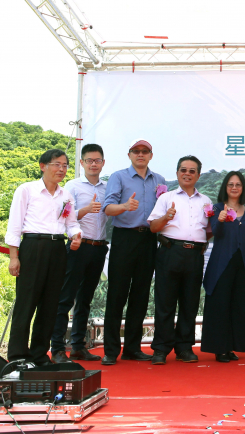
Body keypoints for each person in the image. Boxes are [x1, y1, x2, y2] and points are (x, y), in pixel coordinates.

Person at [5, 149, 82, 365]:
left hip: (58, 248)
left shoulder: (66, 195)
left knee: (50, 304)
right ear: (43, 166)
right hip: (33, 246)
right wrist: (14, 257)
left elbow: (71, 223)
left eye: (65, 165)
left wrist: (76, 235)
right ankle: (18, 356)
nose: (62, 169)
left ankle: (39, 355)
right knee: (26, 302)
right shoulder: (27, 190)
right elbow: (14, 225)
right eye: (57, 164)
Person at [101, 139, 166, 365]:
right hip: (124, 238)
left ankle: (132, 348)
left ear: (151, 155)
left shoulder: (159, 180)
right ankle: (111, 351)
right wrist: (125, 207)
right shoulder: (118, 177)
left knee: (140, 294)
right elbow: (107, 208)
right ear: (129, 155)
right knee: (117, 293)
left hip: (148, 239)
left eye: (145, 151)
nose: (140, 154)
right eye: (136, 151)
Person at [148, 156, 212, 365]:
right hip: (170, 251)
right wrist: (166, 217)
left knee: (190, 303)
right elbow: (153, 227)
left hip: (195, 255)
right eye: (183, 170)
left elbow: (208, 231)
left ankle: (184, 347)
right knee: (165, 303)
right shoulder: (166, 198)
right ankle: (160, 349)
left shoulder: (206, 201)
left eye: (192, 171)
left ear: (198, 175)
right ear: (177, 173)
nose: (187, 174)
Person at [50, 144, 108, 364]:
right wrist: (84, 210)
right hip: (77, 246)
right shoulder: (72, 186)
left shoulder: (108, 187)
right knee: (66, 298)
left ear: (103, 163)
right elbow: (63, 215)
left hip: (99, 247)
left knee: (85, 299)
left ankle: (78, 347)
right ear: (82, 162)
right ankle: (57, 348)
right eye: (89, 160)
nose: (93, 164)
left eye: (97, 160)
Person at [201, 171, 245, 362]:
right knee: (220, 304)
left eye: (238, 184)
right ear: (225, 187)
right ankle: (219, 348)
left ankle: (232, 347)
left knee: (238, 304)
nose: (234, 187)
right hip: (222, 262)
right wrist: (220, 219)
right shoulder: (216, 209)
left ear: (243, 188)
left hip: (243, 263)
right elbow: (215, 233)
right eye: (230, 184)